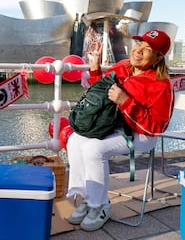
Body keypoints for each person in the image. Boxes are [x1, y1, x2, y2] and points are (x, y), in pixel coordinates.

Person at [66, 29, 174, 231]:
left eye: (147, 49)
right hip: (113, 125)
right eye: (138, 44)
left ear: (159, 57)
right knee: (74, 140)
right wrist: (96, 70)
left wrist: (126, 102)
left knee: (93, 150)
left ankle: (100, 206)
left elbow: (156, 127)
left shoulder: (161, 85)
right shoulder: (123, 67)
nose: (138, 51)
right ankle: (87, 198)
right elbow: (102, 96)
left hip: (141, 134)